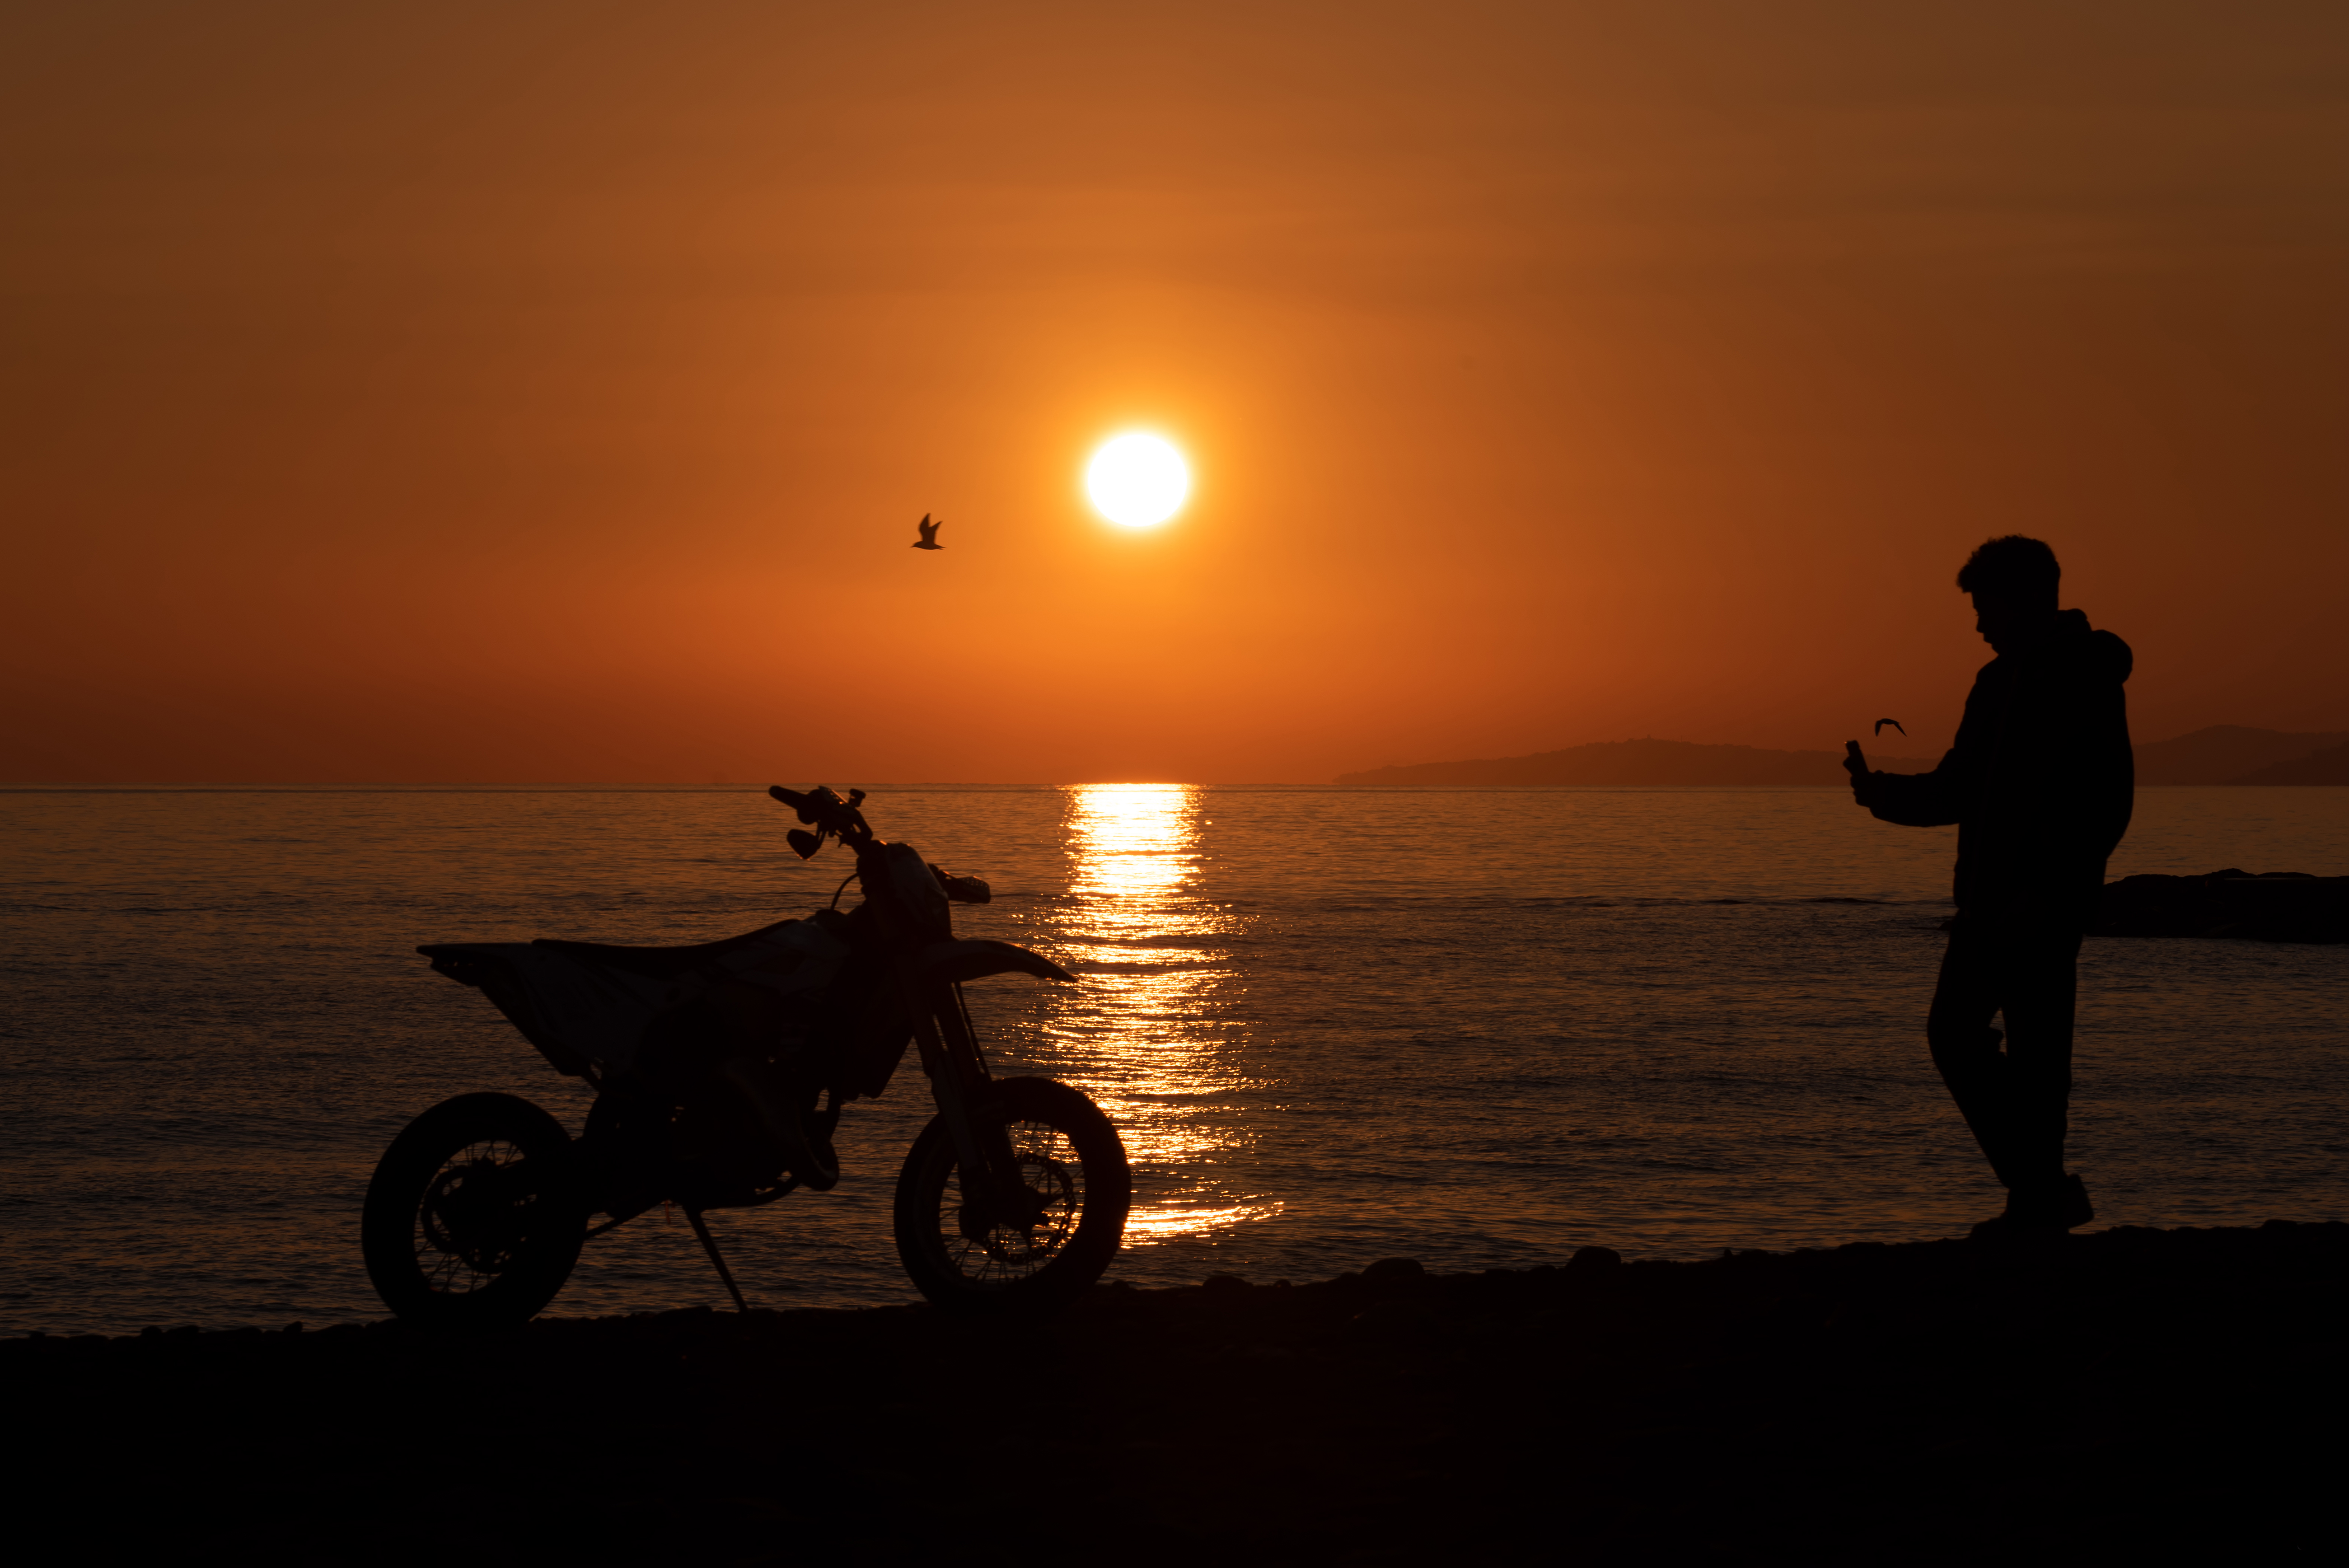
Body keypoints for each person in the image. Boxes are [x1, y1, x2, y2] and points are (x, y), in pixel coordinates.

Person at [1846, 536, 2133, 1236]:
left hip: (2042, 903)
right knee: (1956, 1036)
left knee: (2036, 1058)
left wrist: (2048, 889)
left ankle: (2037, 1203)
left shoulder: (2083, 676)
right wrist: (1878, 793)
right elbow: (1960, 787)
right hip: (1985, 902)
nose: (1978, 624)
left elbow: (2106, 798)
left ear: (2026, 598)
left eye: (1985, 607)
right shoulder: (1995, 684)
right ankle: (2041, 1192)